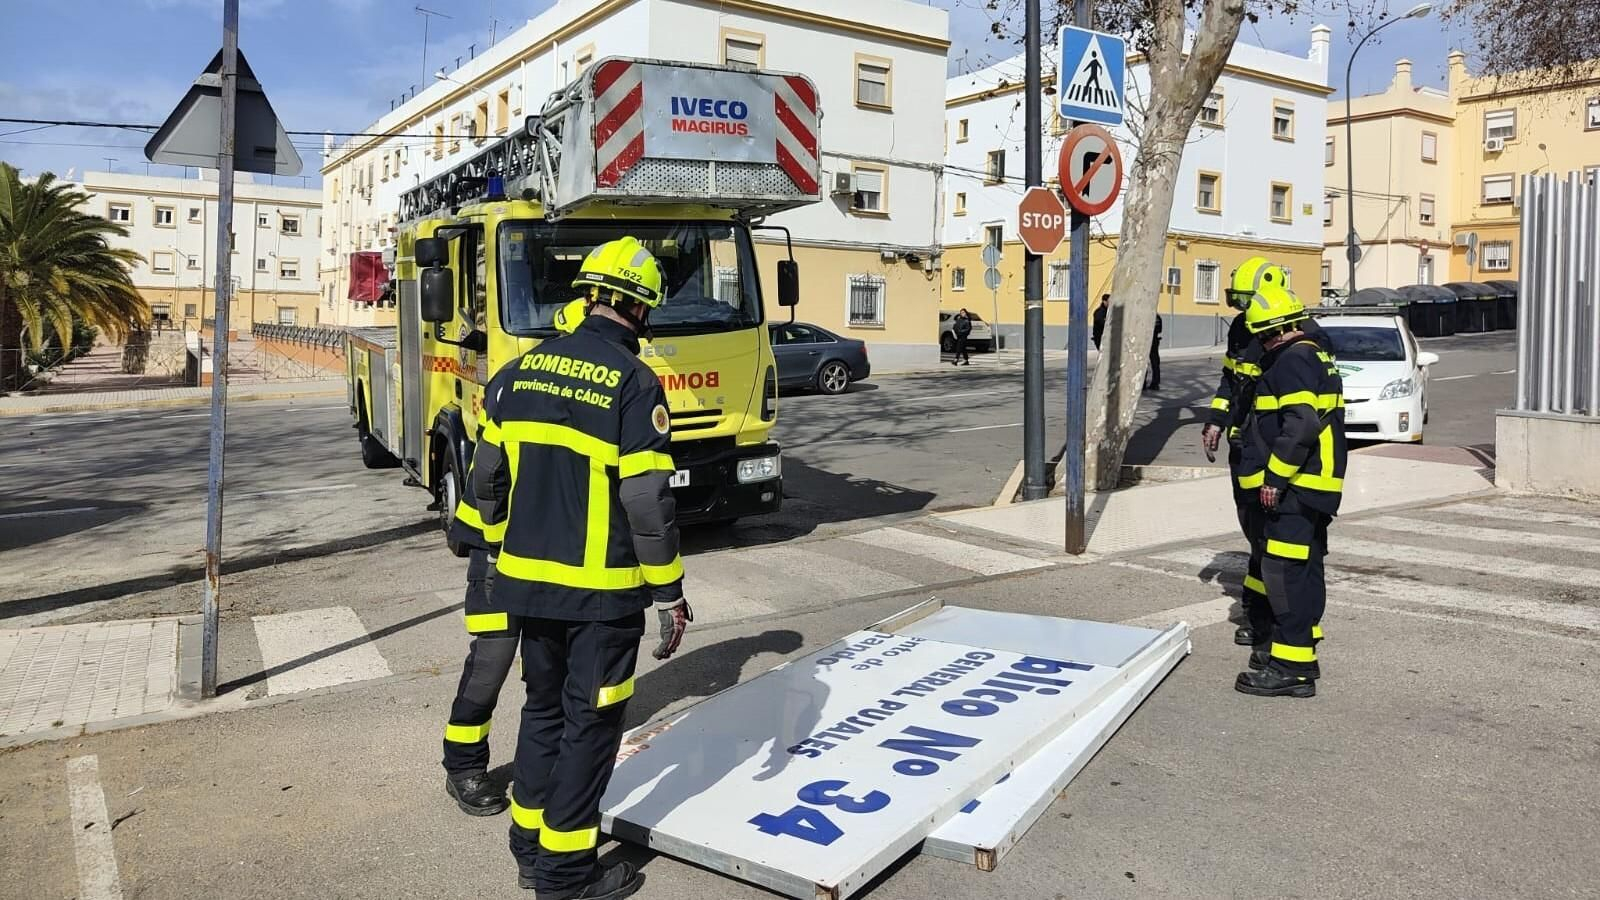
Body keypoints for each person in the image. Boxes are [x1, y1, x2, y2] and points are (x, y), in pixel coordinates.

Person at [470, 236, 690, 899]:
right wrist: (668, 592)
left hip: (528, 588)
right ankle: (564, 876)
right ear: (643, 309)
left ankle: (528, 843)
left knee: (542, 711)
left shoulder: (516, 374)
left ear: (588, 294)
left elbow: (485, 483)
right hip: (600, 598)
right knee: (590, 727)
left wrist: (509, 550)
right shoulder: (632, 381)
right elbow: (647, 500)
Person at [439, 294, 592, 818]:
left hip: (540, 554)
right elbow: (487, 479)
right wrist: (502, 540)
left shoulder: (548, 382)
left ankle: (541, 763)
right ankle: (463, 766)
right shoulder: (524, 382)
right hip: (498, 548)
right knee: (493, 661)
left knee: (544, 670)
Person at [1234, 278, 1346, 699]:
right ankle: (1296, 653)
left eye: (1262, 337)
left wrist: (1275, 478)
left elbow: (1300, 424)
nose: (1260, 345)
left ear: (1277, 330)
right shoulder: (1314, 355)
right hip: (1312, 486)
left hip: (1297, 486)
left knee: (1284, 574)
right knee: (1303, 569)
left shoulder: (1293, 361)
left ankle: (1292, 668)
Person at [1202, 257, 1279, 649]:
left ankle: (1268, 616)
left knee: (1274, 540)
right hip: (1243, 448)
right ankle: (1257, 611)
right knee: (1256, 535)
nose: (1246, 313)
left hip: (1277, 455)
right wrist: (1216, 421)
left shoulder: (1297, 335)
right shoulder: (1240, 329)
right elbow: (1230, 381)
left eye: (1249, 303)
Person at [1146, 313, 1163, 390]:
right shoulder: (1158, 317)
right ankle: (1155, 383)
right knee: (1155, 363)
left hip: (1146, 341)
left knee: (1144, 363)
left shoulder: (1146, 315)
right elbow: (1160, 330)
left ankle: (1142, 384)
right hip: (1155, 341)